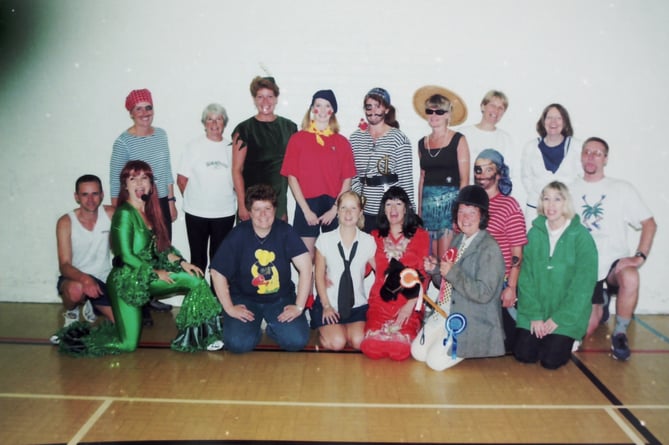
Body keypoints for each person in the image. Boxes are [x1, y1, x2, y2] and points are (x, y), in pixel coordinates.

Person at [57, 161, 224, 355]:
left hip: (145, 276)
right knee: (126, 345)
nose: (139, 183)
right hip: (126, 281)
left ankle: (202, 337)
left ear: (151, 184)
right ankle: (74, 340)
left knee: (195, 280)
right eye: (133, 179)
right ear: (125, 185)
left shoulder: (150, 212)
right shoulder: (124, 214)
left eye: (144, 178)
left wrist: (182, 262)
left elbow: (162, 249)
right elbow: (125, 255)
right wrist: (154, 272)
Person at [569, 137, 656, 360]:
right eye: (587, 152)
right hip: (584, 268)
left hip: (612, 266)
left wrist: (639, 257)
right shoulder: (569, 189)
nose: (591, 157)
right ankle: (601, 305)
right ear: (581, 156)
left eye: (597, 153)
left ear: (605, 159)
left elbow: (649, 223)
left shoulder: (621, 189)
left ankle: (619, 334)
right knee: (583, 332)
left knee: (631, 276)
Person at [210, 184, 312, 353]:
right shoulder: (238, 234)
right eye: (257, 209)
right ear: (249, 212)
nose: (263, 214)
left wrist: (299, 306)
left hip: (280, 298)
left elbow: (307, 268)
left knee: (296, 341)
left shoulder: (285, 231)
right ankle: (254, 327)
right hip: (245, 299)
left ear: (275, 209)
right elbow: (217, 272)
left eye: (267, 208)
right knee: (237, 344)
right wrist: (229, 307)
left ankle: (273, 327)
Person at [414, 185, 506, 371]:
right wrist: (436, 270)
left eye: (471, 213)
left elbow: (484, 294)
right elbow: (446, 283)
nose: (465, 218)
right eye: (461, 212)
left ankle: (472, 346)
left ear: (482, 216)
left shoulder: (490, 248)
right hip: (447, 311)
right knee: (417, 352)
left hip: (473, 318)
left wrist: (452, 273)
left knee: (434, 363)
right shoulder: (458, 239)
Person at [514, 181, 597, 369]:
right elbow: (526, 279)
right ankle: (548, 337)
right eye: (546, 199)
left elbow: (583, 287)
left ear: (565, 203)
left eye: (557, 199)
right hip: (536, 312)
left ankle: (567, 337)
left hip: (566, 315)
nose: (551, 205)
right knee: (523, 354)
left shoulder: (581, 237)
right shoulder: (534, 234)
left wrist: (558, 319)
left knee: (551, 361)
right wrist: (535, 315)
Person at [110, 88, 176, 322]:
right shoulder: (123, 142)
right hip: (136, 204)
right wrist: (120, 212)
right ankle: (139, 302)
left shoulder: (161, 135)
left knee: (159, 249)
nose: (145, 113)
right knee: (138, 252)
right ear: (131, 112)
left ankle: (150, 295)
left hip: (159, 201)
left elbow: (166, 170)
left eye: (148, 107)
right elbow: (115, 179)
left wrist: (170, 201)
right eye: (139, 108)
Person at [280, 89, 356, 258]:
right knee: (306, 260)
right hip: (307, 204)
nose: (322, 111)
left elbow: (347, 179)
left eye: (327, 106)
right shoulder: (297, 139)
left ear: (333, 111)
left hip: (333, 204)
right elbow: (292, 177)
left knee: (333, 260)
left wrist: (335, 209)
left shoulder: (342, 142)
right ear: (311, 109)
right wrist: (306, 210)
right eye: (318, 105)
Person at [360, 186, 429, 361]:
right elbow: (362, 270)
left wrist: (409, 306)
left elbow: (423, 276)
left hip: (408, 303)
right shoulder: (373, 237)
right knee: (371, 348)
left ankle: (410, 327)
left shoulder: (421, 236)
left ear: (406, 208)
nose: (393, 209)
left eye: (398, 204)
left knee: (400, 351)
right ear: (383, 209)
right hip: (380, 302)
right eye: (389, 204)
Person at [473, 149, 527, 352]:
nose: (482, 174)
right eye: (478, 169)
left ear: (499, 173)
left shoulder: (509, 206)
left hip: (500, 283)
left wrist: (511, 287)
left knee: (510, 345)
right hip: (475, 283)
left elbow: (517, 252)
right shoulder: (468, 204)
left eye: (489, 168)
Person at [177, 103, 236, 277]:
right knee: (198, 259)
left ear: (224, 123)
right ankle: (199, 301)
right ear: (204, 123)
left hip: (224, 213)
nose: (214, 123)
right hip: (196, 213)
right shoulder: (193, 146)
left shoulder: (231, 148)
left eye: (218, 119)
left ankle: (217, 299)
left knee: (219, 260)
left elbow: (237, 178)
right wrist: (197, 199)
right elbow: (182, 180)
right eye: (210, 119)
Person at [311, 191, 376, 351]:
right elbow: (318, 276)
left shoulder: (369, 241)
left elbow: (381, 272)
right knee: (338, 343)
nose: (348, 213)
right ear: (337, 211)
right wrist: (326, 305)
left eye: (353, 208)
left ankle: (343, 330)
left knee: (360, 342)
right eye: (344, 208)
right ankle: (330, 332)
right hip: (330, 303)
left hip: (357, 305)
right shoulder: (324, 240)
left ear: (360, 212)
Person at [412, 85, 470, 257]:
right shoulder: (422, 143)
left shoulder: (459, 140)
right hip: (428, 207)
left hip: (449, 207)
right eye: (430, 111)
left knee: (445, 259)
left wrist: (458, 214)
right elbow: (422, 178)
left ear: (448, 114)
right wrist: (420, 213)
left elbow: (465, 180)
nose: (434, 115)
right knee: (429, 260)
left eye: (440, 112)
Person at [54, 175, 115, 334]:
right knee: (76, 290)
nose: (90, 199)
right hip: (76, 278)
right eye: (85, 194)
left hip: (104, 279)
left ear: (102, 195)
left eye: (95, 194)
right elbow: (64, 265)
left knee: (121, 326)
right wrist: (85, 279)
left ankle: (93, 306)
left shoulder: (111, 214)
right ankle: (72, 312)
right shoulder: (65, 222)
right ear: (77, 197)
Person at [232, 76, 298, 221]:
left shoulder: (289, 128)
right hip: (252, 202)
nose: (265, 102)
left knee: (278, 243)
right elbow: (236, 170)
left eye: (270, 96)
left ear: (276, 99)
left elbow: (295, 168)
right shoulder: (244, 129)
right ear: (254, 99)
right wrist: (242, 205)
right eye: (260, 97)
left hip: (278, 201)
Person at [350, 88, 415, 233]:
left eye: (377, 106)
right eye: (369, 106)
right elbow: (352, 175)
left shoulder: (399, 139)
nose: (373, 111)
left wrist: (410, 215)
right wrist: (356, 204)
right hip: (363, 212)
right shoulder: (355, 138)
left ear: (386, 109)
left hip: (389, 212)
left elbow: (406, 180)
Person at [520, 103, 581, 226]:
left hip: (566, 212)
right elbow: (526, 177)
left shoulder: (577, 146)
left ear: (565, 122)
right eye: (549, 117)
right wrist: (540, 198)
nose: (553, 122)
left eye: (558, 118)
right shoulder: (531, 147)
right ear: (543, 121)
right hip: (536, 211)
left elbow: (582, 178)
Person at [458, 90, 516, 182]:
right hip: (466, 192)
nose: (496, 111)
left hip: (493, 194)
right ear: (483, 106)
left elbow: (508, 173)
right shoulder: (463, 133)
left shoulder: (505, 138)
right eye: (492, 105)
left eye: (500, 108)